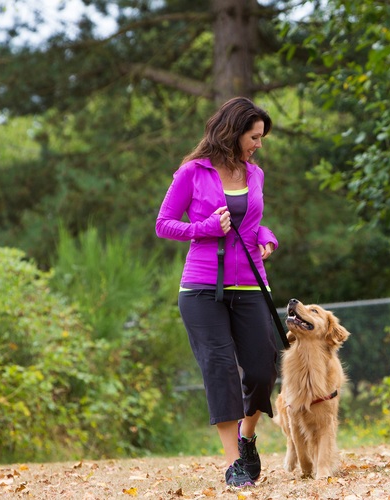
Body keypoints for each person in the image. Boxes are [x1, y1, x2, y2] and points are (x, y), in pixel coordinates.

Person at [155, 97, 279, 488]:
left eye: (260, 137)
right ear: (234, 132)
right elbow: (164, 224)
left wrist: (268, 238)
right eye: (254, 136)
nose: (258, 144)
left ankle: (247, 437)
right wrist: (202, 228)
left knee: (263, 367)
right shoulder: (192, 172)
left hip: (250, 283)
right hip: (201, 287)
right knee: (220, 369)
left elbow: (253, 224)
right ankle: (233, 465)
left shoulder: (254, 174)